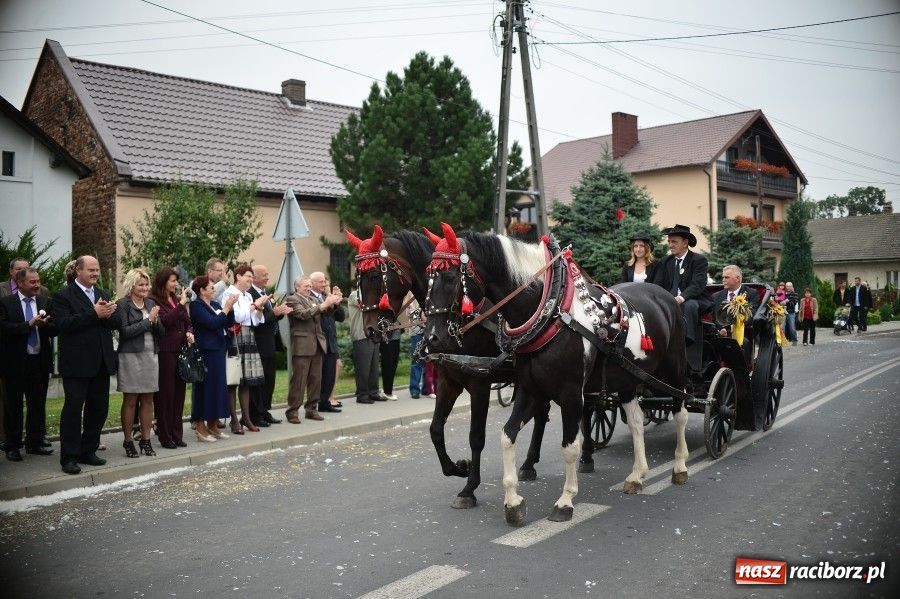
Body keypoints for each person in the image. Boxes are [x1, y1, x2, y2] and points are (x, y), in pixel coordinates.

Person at [51, 255, 121, 475]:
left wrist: (109, 313)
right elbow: (63, 324)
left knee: (98, 409)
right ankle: (69, 457)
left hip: (100, 362)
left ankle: (88, 450)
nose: (95, 274)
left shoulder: (102, 294)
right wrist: (94, 314)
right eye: (90, 270)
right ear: (78, 271)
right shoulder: (63, 296)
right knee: (73, 410)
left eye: (97, 270)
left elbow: (114, 324)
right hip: (77, 364)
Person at [0, 268, 57, 461]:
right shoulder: (6, 303)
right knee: (13, 406)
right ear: (20, 283)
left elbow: (55, 328)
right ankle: (13, 445)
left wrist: (45, 325)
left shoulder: (45, 302)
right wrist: (28, 325)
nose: (37, 285)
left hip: (39, 362)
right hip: (14, 364)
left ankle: (35, 442)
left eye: (38, 281)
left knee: (37, 405)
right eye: (32, 282)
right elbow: (4, 329)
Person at [115, 268, 165, 458]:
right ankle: (128, 441)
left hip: (150, 356)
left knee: (148, 399)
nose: (145, 288)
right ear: (132, 285)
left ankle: (146, 440)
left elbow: (161, 332)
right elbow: (125, 332)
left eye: (146, 284)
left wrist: (156, 320)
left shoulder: (151, 303)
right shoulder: (123, 305)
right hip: (130, 356)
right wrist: (148, 321)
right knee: (130, 400)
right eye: (141, 284)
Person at [649, 224, 712, 373]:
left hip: (693, 299)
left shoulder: (698, 260)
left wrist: (681, 298)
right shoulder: (665, 262)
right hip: (669, 299)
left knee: (688, 306)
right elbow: (658, 284)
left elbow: (698, 285)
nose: (670, 245)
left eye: (674, 241)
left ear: (685, 243)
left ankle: (685, 342)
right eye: (669, 241)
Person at [285, 276, 341, 422]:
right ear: (297, 287)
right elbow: (303, 315)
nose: (309, 289)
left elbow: (324, 314)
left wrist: (334, 303)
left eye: (310, 286)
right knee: (299, 380)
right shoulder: (292, 299)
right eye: (306, 286)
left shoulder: (313, 300)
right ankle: (292, 412)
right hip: (302, 345)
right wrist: (323, 305)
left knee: (316, 379)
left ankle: (311, 409)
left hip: (318, 344)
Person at [150, 267, 194, 449]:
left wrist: (190, 332)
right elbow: (165, 323)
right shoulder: (153, 300)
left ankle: (177, 434)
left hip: (180, 350)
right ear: (163, 282)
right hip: (165, 352)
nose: (176, 284)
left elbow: (187, 322)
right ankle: (165, 435)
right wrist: (182, 304)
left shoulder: (176, 299)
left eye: (176, 281)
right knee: (166, 395)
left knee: (179, 394)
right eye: (172, 281)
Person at [189, 275, 238, 441]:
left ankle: (213, 425)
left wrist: (230, 308)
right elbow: (212, 323)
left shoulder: (216, 304)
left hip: (218, 350)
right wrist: (225, 309)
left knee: (217, 388)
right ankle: (201, 427)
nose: (214, 290)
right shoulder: (196, 306)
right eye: (211, 287)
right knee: (205, 388)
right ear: (202, 290)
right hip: (206, 352)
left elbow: (227, 322)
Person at [222, 264, 268, 433]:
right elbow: (238, 317)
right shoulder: (229, 293)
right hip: (235, 337)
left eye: (251, 276)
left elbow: (256, 321)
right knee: (234, 381)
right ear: (238, 276)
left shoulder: (247, 295)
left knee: (247, 382)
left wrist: (259, 308)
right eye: (248, 276)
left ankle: (246, 418)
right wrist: (254, 307)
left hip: (248, 335)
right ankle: (234, 420)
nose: (250, 279)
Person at [248, 264, 292, 426]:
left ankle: (265, 411)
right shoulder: (250, 295)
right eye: (264, 275)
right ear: (255, 277)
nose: (267, 277)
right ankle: (255, 414)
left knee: (269, 380)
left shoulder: (265, 293)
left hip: (270, 343)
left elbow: (270, 317)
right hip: (258, 343)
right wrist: (274, 313)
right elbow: (257, 320)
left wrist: (279, 313)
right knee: (259, 382)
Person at [310, 272, 345, 413]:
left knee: (330, 374)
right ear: (312, 283)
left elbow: (341, 317)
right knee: (319, 375)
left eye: (324, 281)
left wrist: (337, 302)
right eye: (321, 282)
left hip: (331, 340)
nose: (324, 284)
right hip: (318, 341)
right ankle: (315, 403)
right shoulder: (309, 297)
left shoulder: (326, 297)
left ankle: (325, 402)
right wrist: (328, 302)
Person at [711, 265, 759, 364]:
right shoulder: (716, 296)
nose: (723, 280)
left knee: (744, 344)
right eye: (723, 277)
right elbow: (712, 317)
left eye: (726, 277)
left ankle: (741, 375)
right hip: (719, 335)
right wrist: (719, 329)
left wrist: (735, 327)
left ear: (737, 278)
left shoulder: (751, 293)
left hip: (741, 335)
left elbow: (752, 315)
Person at [347, 289, 381, 404]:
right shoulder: (354, 295)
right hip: (361, 334)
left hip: (373, 334)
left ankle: (373, 392)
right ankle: (362, 394)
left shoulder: (375, 294)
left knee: (373, 367)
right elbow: (366, 305)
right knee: (363, 368)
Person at [408, 296, 425, 399]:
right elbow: (411, 315)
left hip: (430, 332)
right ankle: (415, 389)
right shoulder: (412, 297)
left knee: (430, 362)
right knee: (417, 361)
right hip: (417, 333)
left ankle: (427, 389)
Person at [379, 327, 401, 401]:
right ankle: (387, 392)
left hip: (396, 335)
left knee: (394, 363)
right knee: (388, 364)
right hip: (386, 336)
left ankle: (389, 390)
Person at [784, 282, 799, 346]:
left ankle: (794, 340)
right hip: (783, 313)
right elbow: (779, 301)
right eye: (787, 286)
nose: (788, 288)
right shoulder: (783, 294)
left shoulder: (795, 294)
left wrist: (786, 301)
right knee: (782, 328)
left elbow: (793, 304)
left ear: (792, 287)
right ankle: (783, 341)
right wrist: (787, 301)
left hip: (791, 313)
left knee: (792, 327)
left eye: (789, 286)